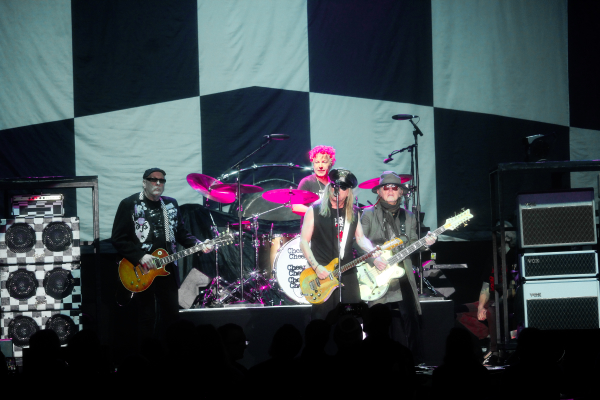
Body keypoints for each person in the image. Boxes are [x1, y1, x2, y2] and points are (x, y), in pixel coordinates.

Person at [111, 167, 212, 343]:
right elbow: (118, 239)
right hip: (141, 269)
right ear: (144, 183)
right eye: (153, 179)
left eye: (162, 180)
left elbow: (181, 233)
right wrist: (140, 256)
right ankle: (147, 356)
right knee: (146, 315)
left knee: (172, 315)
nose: (158, 183)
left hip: (167, 268)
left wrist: (198, 244)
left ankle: (171, 354)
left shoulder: (171, 204)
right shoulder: (129, 204)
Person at [360, 171, 436, 362]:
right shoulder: (368, 214)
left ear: (401, 192)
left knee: (411, 319)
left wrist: (425, 243)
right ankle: (374, 362)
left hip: (401, 269)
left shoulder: (408, 217)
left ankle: (416, 363)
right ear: (379, 191)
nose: (391, 190)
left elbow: (412, 244)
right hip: (376, 272)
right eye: (386, 187)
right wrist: (373, 260)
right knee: (376, 322)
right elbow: (359, 243)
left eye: (395, 187)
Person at [299, 168, 382, 321]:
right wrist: (316, 267)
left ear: (348, 191)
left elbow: (360, 238)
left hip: (347, 271)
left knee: (351, 320)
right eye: (333, 186)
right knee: (323, 321)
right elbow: (304, 241)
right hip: (323, 273)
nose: (336, 190)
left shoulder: (354, 212)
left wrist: (372, 250)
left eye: (342, 187)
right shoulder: (314, 210)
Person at [293, 145, 336, 215]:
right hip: (311, 224)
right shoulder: (307, 182)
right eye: (317, 162)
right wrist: (318, 214)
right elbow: (296, 207)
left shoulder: (334, 183)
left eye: (324, 162)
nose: (320, 166)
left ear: (331, 164)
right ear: (313, 165)